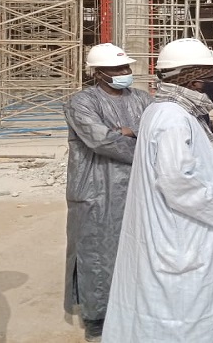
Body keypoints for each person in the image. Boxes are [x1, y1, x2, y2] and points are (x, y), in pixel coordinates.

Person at [103, 38, 213, 342]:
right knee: (182, 316)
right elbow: (177, 181)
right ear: (195, 81)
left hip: (180, 228)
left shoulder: (169, 111)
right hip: (179, 235)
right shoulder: (173, 118)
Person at [63, 43, 153, 342]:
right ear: (98, 73)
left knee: (138, 248)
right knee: (96, 253)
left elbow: (156, 133)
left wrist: (129, 131)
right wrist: (136, 138)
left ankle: (132, 307)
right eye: (116, 69)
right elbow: (101, 140)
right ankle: (97, 317)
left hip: (137, 185)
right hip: (96, 189)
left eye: (125, 67)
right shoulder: (81, 102)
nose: (124, 72)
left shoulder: (143, 99)